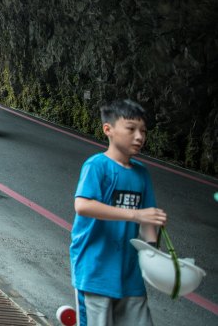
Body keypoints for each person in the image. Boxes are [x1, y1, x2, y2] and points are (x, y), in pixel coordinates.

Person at [70, 99, 166, 326]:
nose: (139, 136)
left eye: (143, 131)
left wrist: (152, 251)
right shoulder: (96, 166)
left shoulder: (142, 173)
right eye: (131, 129)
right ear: (108, 130)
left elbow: (147, 217)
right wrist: (135, 215)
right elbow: (83, 205)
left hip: (130, 274)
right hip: (95, 271)